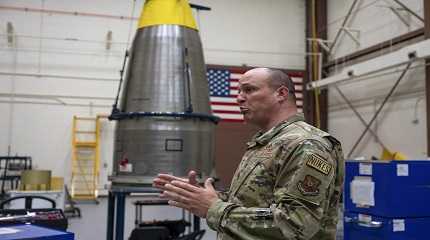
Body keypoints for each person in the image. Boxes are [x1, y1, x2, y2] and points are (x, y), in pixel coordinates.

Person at [153, 68, 344, 240]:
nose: (239, 98)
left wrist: (214, 209)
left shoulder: (306, 144)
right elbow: (254, 202)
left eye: (249, 90)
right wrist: (202, 197)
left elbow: (295, 224)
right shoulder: (266, 142)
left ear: (281, 94)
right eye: (238, 91)